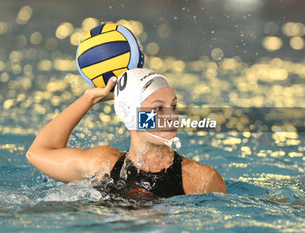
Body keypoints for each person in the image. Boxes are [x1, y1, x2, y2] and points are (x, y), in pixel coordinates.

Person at [26, 68, 226, 199]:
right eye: (158, 109)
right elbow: (37, 153)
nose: (171, 116)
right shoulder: (102, 164)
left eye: (173, 105)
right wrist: (88, 99)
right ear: (130, 114)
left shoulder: (200, 178)